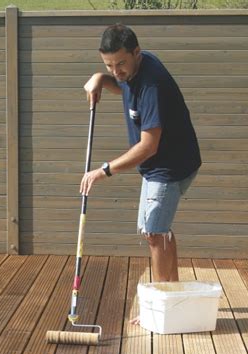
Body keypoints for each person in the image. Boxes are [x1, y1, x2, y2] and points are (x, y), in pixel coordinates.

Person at [80, 24, 201, 311]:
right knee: (159, 231)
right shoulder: (133, 68)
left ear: (136, 52)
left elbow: (149, 146)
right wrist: (100, 79)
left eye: (120, 63)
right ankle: (173, 297)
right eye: (108, 64)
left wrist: (103, 170)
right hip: (163, 163)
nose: (116, 71)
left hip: (168, 165)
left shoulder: (151, 85)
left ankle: (162, 308)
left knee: (154, 234)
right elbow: (120, 85)